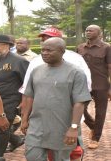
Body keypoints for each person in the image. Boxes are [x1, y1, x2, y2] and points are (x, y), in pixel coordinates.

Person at [19, 26, 92, 161]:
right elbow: (29, 96)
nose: (44, 53)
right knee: (32, 156)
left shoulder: (75, 72)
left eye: (49, 50)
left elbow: (79, 102)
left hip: (62, 127)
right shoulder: (37, 70)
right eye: (42, 50)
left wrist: (74, 127)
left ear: (61, 51)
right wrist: (24, 119)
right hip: (37, 126)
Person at [0, 34, 29, 157]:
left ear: (7, 46)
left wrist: (24, 102)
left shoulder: (19, 61)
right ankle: (16, 140)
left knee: (2, 128)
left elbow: (28, 84)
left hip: (9, 101)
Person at [76, 24, 111, 149]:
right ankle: (93, 126)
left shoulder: (106, 48)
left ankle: (96, 138)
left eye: (91, 30)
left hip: (101, 85)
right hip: (83, 85)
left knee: (100, 112)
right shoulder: (80, 47)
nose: (88, 32)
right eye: (86, 30)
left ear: (99, 33)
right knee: (79, 109)